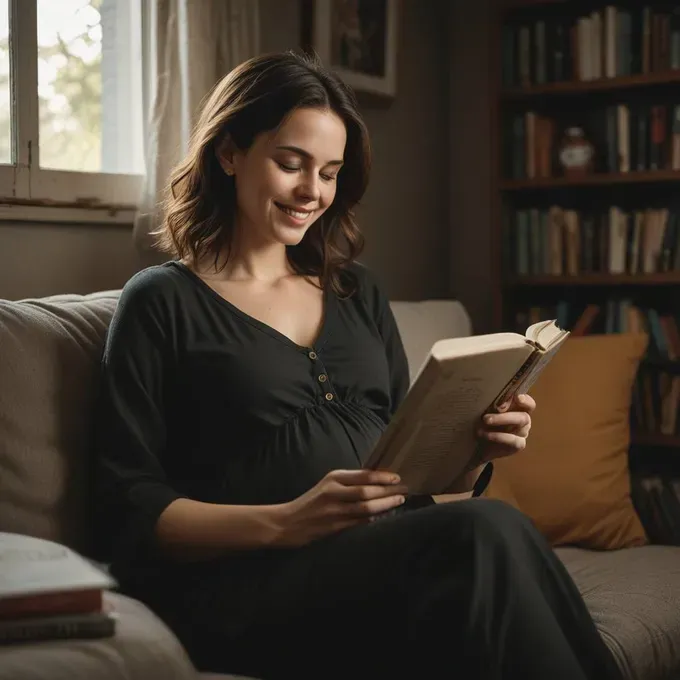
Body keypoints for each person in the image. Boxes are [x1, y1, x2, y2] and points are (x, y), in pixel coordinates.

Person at [91, 51, 622, 680]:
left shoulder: (356, 292)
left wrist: (477, 450)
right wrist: (286, 523)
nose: (312, 191)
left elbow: (412, 474)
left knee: (492, 533)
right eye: (291, 164)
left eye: (330, 172)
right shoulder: (160, 300)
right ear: (229, 153)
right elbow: (127, 504)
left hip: (385, 560)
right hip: (247, 587)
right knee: (485, 533)